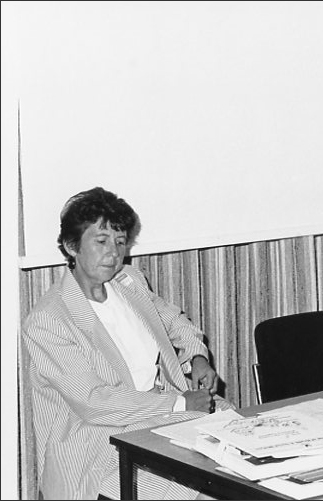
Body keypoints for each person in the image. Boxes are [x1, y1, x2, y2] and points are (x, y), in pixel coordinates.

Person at [22, 187, 233, 500]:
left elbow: (174, 322)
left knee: (244, 462)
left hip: (160, 416)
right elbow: (95, 402)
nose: (114, 253)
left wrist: (197, 357)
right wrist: (180, 403)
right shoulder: (49, 319)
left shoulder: (127, 281)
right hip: (98, 439)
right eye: (102, 241)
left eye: (120, 242)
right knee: (202, 489)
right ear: (71, 247)